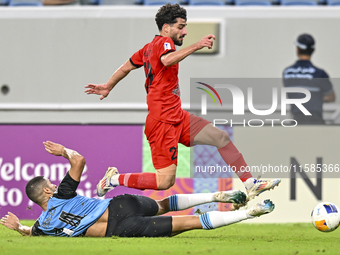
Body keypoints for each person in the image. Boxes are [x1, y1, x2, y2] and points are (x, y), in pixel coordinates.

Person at [85, 3, 280, 200]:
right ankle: (113, 180)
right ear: (166, 27)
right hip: (162, 123)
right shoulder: (164, 43)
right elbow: (167, 60)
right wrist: (197, 44)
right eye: (180, 26)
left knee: (221, 138)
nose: (185, 31)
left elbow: (126, 67)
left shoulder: (147, 49)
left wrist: (109, 85)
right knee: (164, 182)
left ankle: (250, 183)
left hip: (178, 117)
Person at [0, 141, 275, 237]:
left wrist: (17, 228)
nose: (53, 185)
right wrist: (63, 152)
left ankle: (250, 213)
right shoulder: (62, 194)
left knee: (189, 224)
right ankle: (214, 196)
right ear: (48, 192)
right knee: (163, 204)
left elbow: (30, 232)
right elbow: (79, 160)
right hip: (119, 205)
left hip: (120, 229)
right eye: (49, 184)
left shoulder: (43, 226)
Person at [283, 33, 336, 125]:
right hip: (316, 121)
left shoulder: (287, 73)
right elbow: (331, 97)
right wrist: (316, 98)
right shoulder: (320, 73)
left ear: (297, 49)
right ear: (313, 50)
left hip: (296, 121)